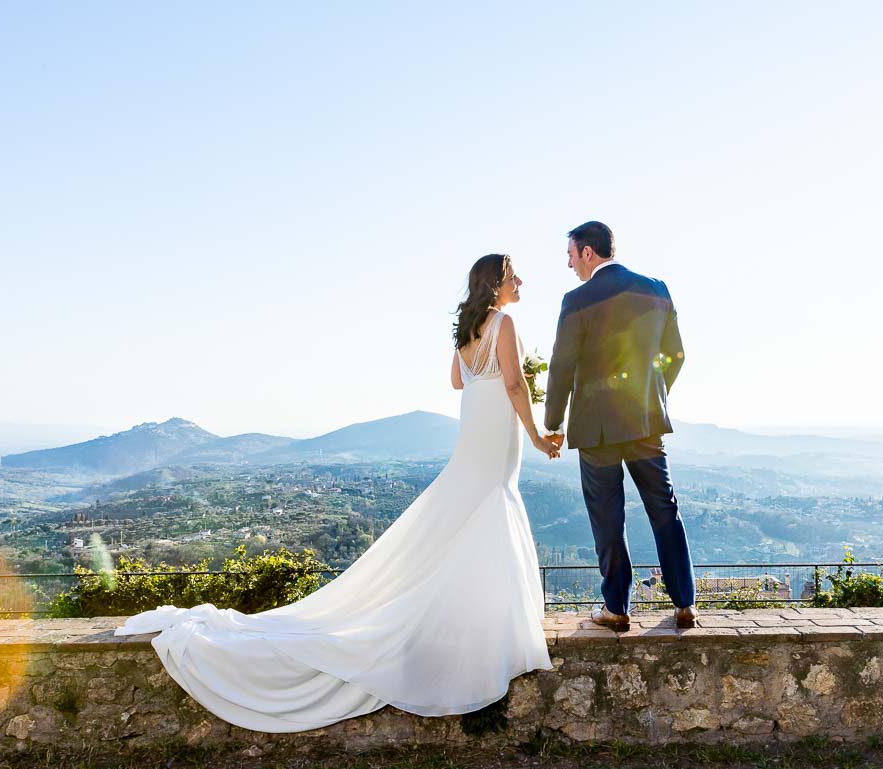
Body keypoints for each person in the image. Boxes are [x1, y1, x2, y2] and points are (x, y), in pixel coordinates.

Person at [115, 253, 559, 733]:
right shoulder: (505, 323)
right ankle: (495, 629)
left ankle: (480, 622)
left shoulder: (468, 329)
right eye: (514, 275)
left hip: (475, 431)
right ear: (496, 283)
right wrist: (536, 436)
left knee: (472, 511)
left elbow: (457, 380)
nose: (520, 281)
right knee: (490, 508)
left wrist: (489, 368)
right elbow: (513, 382)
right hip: (497, 434)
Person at [543, 221, 697, 632]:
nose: (570, 263)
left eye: (572, 255)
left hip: (596, 429)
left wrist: (553, 423)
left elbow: (561, 368)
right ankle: (685, 603)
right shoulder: (657, 289)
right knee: (665, 509)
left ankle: (617, 609)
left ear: (588, 253)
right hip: (646, 421)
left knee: (608, 518)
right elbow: (675, 355)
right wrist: (652, 394)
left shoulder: (577, 300)